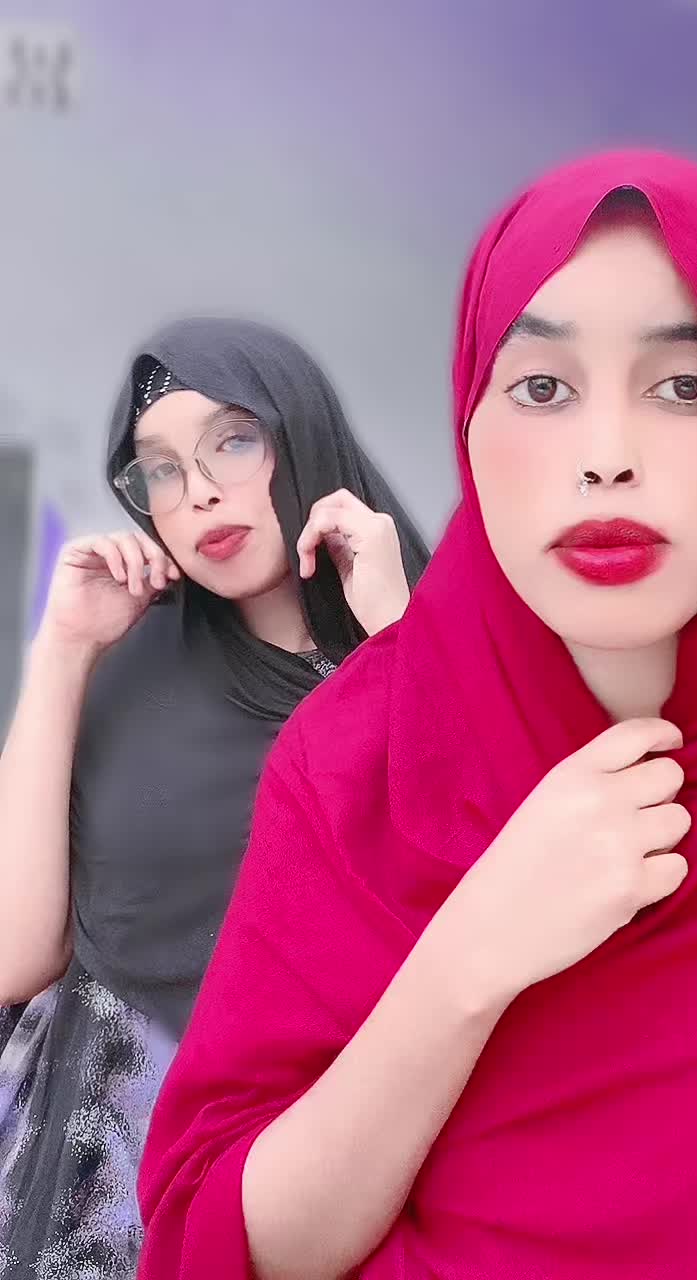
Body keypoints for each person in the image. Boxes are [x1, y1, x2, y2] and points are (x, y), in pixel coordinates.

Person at [137, 150, 697, 1280]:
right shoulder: (352, 758)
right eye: (541, 388)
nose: (609, 460)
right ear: (468, 420)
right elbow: (223, 1232)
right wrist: (468, 955)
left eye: (685, 386)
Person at [0, 317, 429, 1278]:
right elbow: (14, 955)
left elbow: (479, 885)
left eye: (233, 441)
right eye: (160, 468)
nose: (197, 491)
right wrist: (63, 651)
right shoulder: (125, 665)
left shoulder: (438, 642)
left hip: (345, 1162)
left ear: (303, 432)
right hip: (110, 1182)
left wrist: (399, 637)